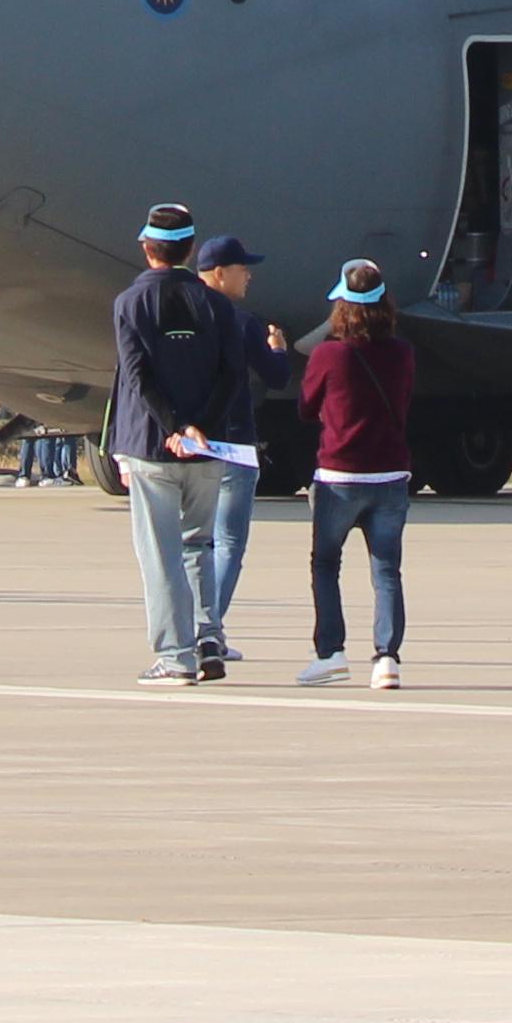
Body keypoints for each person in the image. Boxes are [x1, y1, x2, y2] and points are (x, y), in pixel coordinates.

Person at [108, 204, 238, 683]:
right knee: (198, 544)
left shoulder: (129, 303)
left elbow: (138, 377)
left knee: (160, 553)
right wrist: (200, 426)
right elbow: (232, 375)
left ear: (147, 247)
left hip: (151, 446)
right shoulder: (219, 306)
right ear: (190, 248)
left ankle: (175, 654)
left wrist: (174, 426)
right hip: (207, 448)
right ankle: (209, 636)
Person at [297, 255, 415, 690]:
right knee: (386, 570)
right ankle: (387, 658)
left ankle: (331, 653)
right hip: (390, 475)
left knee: (326, 563)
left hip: (338, 476)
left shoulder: (329, 355)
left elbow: (306, 409)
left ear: (342, 307)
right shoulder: (403, 354)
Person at [189, 242, 281, 660]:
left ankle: (193, 627)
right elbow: (276, 377)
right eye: (243, 269)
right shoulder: (243, 323)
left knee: (192, 542)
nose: (250, 276)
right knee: (227, 543)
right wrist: (277, 347)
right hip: (235, 443)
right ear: (220, 272)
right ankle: (209, 630)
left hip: (190, 443)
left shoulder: (180, 315)